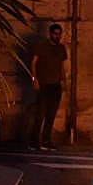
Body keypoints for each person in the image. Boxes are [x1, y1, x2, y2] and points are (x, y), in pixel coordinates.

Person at [29, 23, 68, 151]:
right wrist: (34, 79)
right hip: (43, 84)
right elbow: (33, 62)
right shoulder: (41, 46)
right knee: (40, 114)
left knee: (51, 115)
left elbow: (62, 66)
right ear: (50, 34)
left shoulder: (61, 48)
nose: (57, 36)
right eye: (55, 34)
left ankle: (46, 141)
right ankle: (34, 141)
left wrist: (63, 81)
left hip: (55, 86)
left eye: (59, 34)